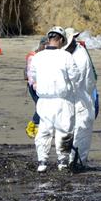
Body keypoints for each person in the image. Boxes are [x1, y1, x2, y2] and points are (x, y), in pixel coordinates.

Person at [27, 26, 81, 172]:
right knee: (63, 131)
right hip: (62, 100)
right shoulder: (65, 56)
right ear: (61, 40)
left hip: (43, 100)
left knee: (44, 131)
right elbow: (75, 76)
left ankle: (42, 162)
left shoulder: (38, 57)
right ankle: (62, 162)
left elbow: (32, 77)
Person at [64, 27, 97, 169]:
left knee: (81, 131)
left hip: (82, 99)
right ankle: (73, 161)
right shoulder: (76, 52)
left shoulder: (80, 58)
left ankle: (77, 163)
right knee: (73, 130)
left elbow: (76, 82)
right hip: (79, 97)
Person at [24, 36, 47, 138]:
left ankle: (38, 126)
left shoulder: (41, 56)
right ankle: (32, 126)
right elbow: (31, 74)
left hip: (41, 86)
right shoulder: (33, 57)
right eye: (45, 46)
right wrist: (35, 86)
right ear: (42, 45)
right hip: (34, 87)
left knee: (41, 106)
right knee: (41, 107)